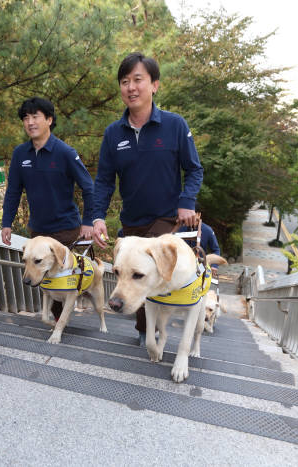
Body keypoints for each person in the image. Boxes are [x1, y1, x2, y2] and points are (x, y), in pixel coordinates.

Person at [92, 52, 203, 346]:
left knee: (155, 277)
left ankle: (158, 331)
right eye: (125, 81)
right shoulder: (113, 134)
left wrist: (187, 201)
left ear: (154, 85)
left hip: (167, 221)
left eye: (138, 80)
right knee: (133, 277)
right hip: (132, 224)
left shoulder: (175, 126)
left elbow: (194, 169)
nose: (131, 87)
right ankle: (148, 331)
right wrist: (97, 217)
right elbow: (104, 180)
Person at [1, 97, 94, 319]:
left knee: (64, 282)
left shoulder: (65, 152)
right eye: (26, 118)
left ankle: (65, 325)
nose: (30, 122)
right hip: (38, 232)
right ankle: (61, 324)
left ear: (49, 120)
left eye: (35, 116)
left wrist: (89, 221)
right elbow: (13, 191)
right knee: (48, 284)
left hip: (66, 230)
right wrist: (6, 223)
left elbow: (89, 187)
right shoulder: (20, 154)